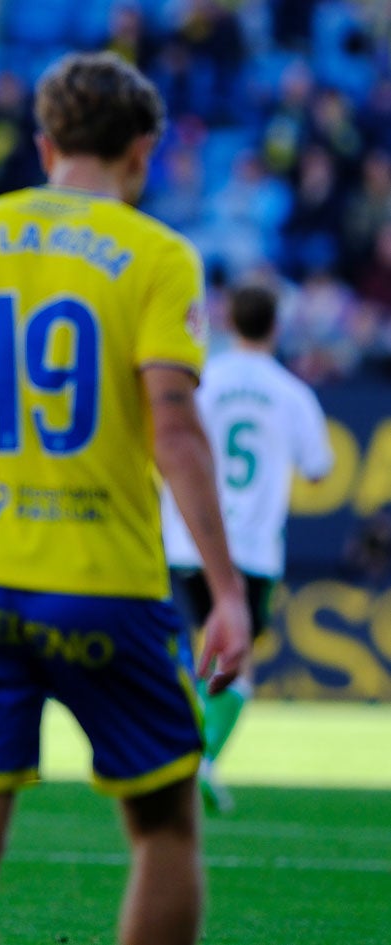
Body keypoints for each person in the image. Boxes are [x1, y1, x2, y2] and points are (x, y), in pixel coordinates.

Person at [0, 53, 251, 945]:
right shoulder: (158, 254)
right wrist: (225, 588)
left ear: (44, 143)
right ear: (142, 152)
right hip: (107, 585)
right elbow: (174, 428)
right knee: (164, 829)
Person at [161, 283, 332, 814]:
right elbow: (320, 468)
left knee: (198, 646)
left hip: (189, 538)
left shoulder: (202, 380)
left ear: (229, 321)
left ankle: (182, 751)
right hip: (253, 549)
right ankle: (200, 756)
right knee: (237, 660)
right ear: (276, 326)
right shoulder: (292, 393)